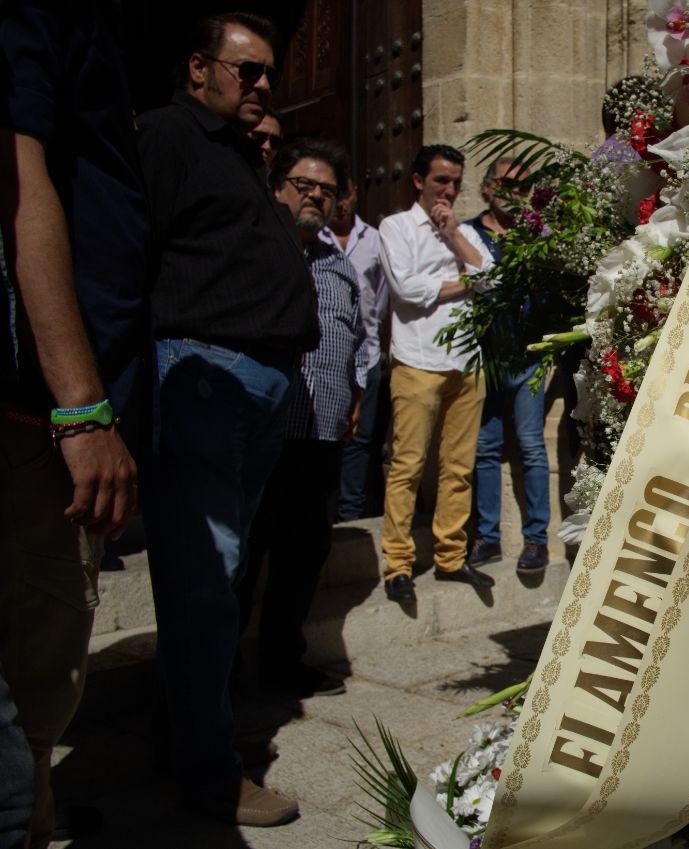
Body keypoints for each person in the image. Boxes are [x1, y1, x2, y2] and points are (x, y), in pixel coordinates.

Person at [135, 11, 316, 827]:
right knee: (205, 580)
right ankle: (209, 774)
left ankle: (197, 732)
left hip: (258, 385)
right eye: (249, 71)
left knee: (229, 578)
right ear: (199, 67)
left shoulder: (237, 151)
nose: (265, 86)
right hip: (206, 375)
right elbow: (133, 255)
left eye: (270, 72)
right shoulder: (169, 136)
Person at [0, 3, 147, 846]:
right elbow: (21, 185)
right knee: (35, 671)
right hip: (35, 410)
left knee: (43, 681)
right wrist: (80, 407)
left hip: (52, 404)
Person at [239, 140, 366, 699]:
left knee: (303, 553)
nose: (316, 194)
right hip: (262, 430)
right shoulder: (254, 248)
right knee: (244, 554)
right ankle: (220, 673)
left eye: (328, 189)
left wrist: (356, 390)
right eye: (304, 184)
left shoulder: (338, 264)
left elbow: (358, 335)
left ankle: (281, 661)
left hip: (320, 436)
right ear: (277, 186)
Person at [379, 144, 495, 599]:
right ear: (418, 181)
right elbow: (407, 289)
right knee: (408, 465)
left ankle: (451, 557)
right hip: (418, 360)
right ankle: (398, 565)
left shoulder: (464, 232)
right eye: (440, 180)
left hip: (467, 362)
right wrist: (468, 282)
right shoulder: (396, 227)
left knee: (459, 467)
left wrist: (454, 239)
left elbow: (495, 279)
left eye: (455, 182)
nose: (449, 189)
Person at [465, 159, 551, 574]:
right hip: (486, 359)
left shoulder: (535, 234)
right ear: (486, 189)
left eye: (520, 186)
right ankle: (487, 537)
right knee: (485, 449)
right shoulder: (468, 235)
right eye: (504, 184)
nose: (512, 192)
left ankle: (536, 540)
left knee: (532, 446)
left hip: (529, 358)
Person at [324, 178, 389, 521]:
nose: (341, 203)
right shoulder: (312, 237)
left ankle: (350, 512)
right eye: (335, 195)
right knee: (321, 437)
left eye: (345, 194)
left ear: (355, 193)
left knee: (361, 438)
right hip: (322, 358)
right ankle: (321, 509)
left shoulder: (375, 240)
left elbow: (379, 299)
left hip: (368, 355)